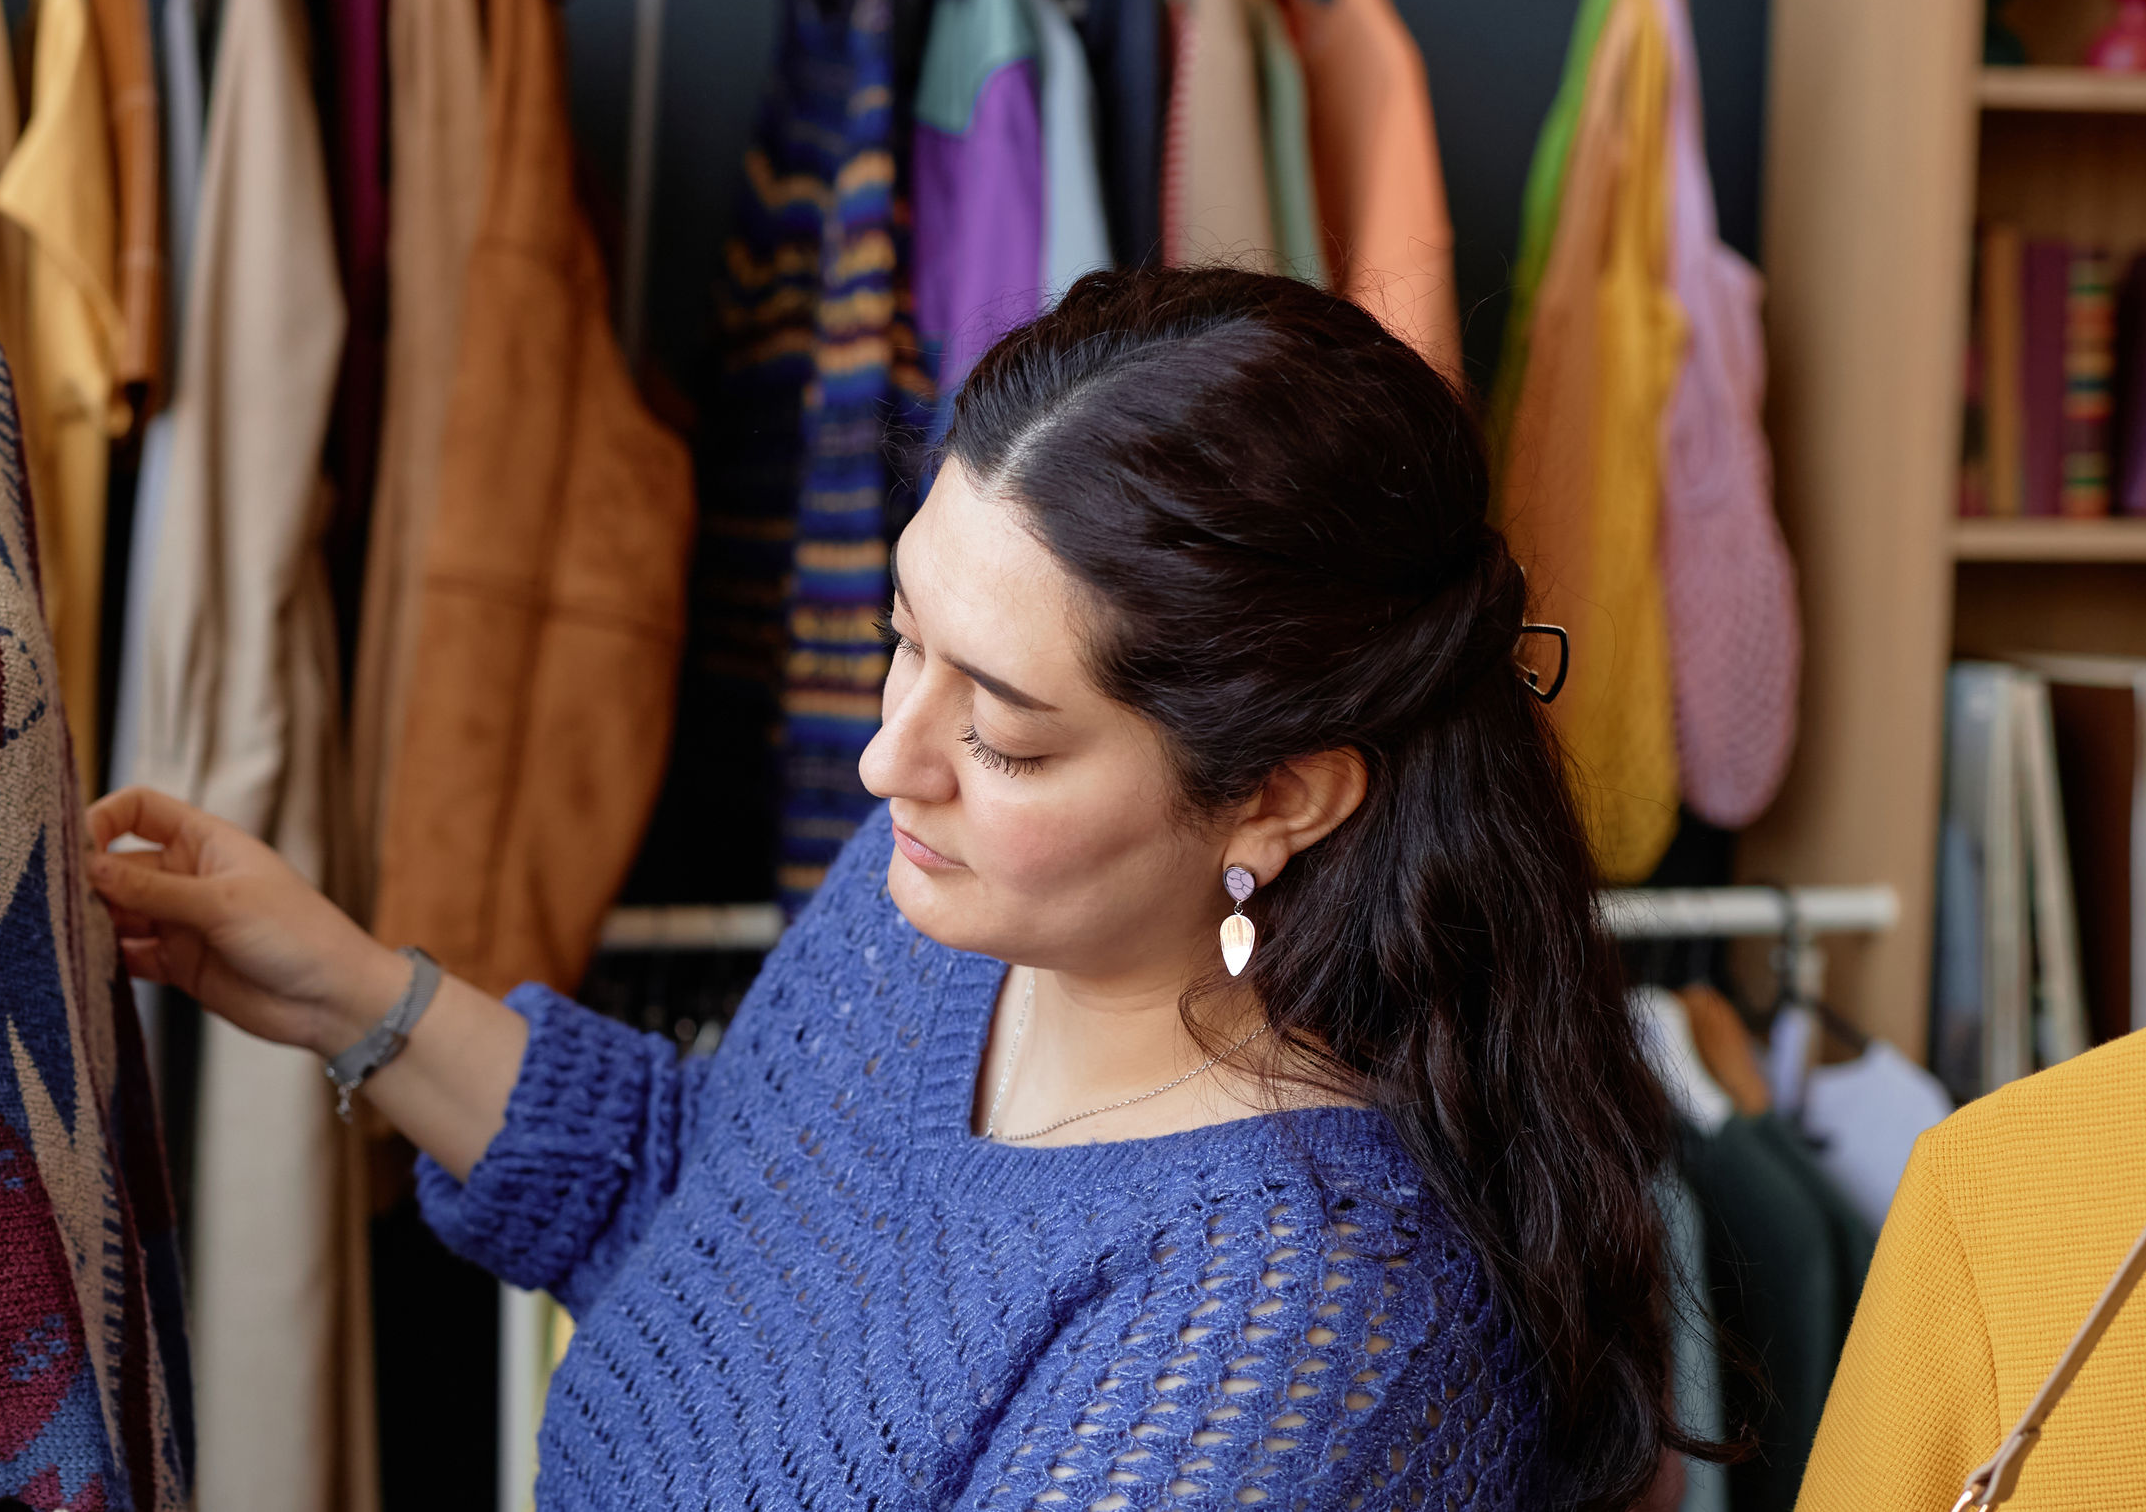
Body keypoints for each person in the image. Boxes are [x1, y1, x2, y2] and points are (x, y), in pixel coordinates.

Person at [89, 266, 1695, 1509]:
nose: (890, 759)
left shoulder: (1295, 1323)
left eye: (1001, 731)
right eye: (900, 642)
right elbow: (717, 1210)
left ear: (1279, 790)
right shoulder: (939, 907)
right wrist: (348, 991)